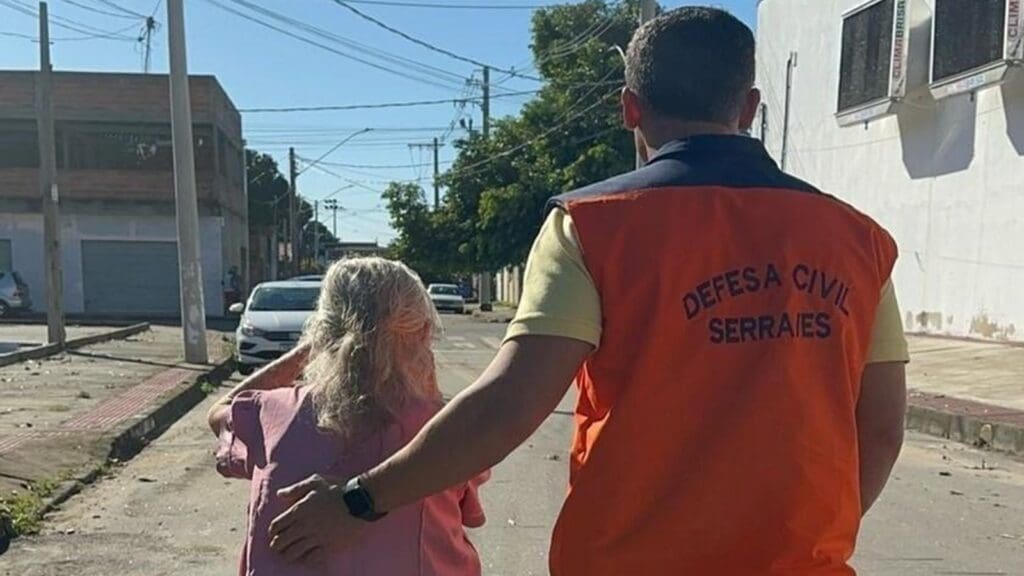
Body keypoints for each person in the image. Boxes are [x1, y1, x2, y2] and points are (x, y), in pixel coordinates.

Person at [267, 7, 908, 575]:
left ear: (631, 108)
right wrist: (811, 536)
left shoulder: (592, 225)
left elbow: (512, 403)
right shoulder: (859, 241)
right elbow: (879, 430)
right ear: (748, 107)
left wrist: (359, 501)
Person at [208, 257, 488, 575]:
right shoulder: (447, 429)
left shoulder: (270, 413)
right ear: (423, 332)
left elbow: (218, 414)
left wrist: (310, 349)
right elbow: (467, 512)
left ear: (323, 330)